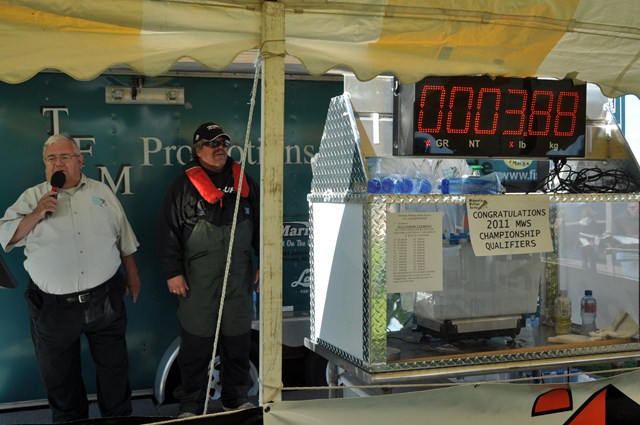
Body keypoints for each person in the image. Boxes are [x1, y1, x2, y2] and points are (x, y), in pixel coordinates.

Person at [0, 134, 141, 423]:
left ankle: (118, 419)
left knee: (114, 371)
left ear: (79, 160)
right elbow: (6, 236)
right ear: (45, 165)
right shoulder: (32, 197)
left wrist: (133, 275)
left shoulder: (102, 192)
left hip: (105, 300)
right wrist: (37, 213)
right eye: (51, 159)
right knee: (61, 380)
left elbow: (123, 236)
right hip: (53, 309)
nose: (58, 163)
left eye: (64, 157)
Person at [157, 122, 260, 417]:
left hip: (239, 280)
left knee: (238, 342)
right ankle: (191, 405)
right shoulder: (182, 187)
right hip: (197, 282)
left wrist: (265, 265)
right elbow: (167, 232)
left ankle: (235, 400)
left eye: (223, 143)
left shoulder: (245, 182)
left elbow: (263, 224)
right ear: (198, 150)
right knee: (196, 345)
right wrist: (172, 273)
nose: (219, 149)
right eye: (212, 144)